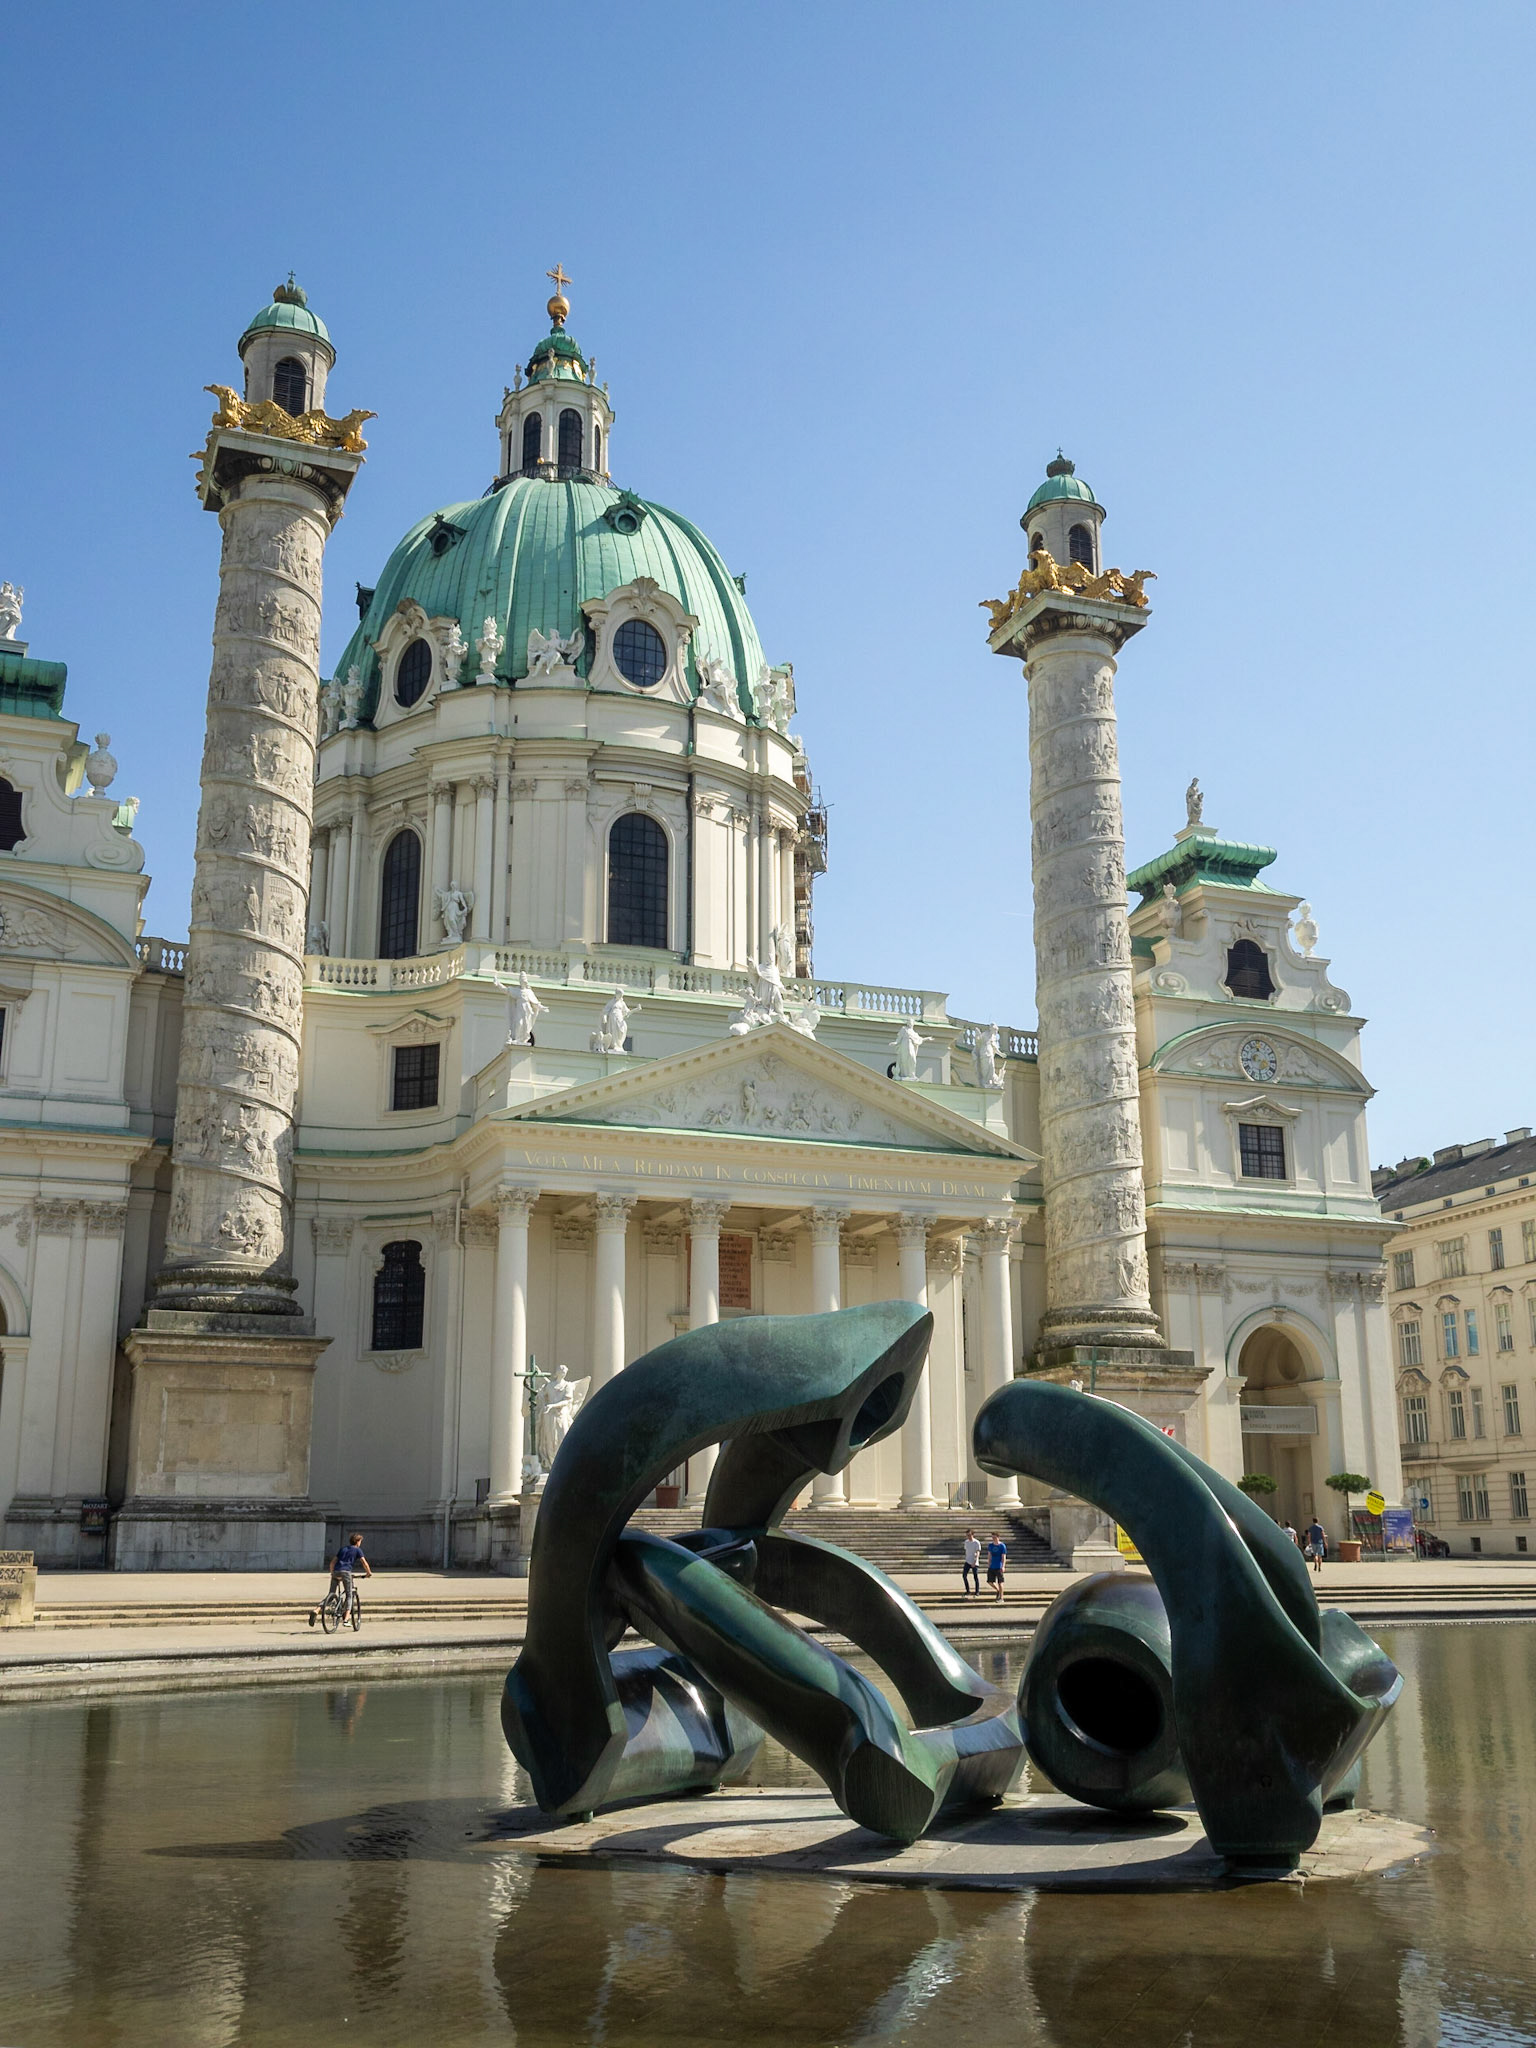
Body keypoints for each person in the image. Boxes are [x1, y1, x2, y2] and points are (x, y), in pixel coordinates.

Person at [310, 1531, 372, 1625]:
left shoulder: (343, 1549)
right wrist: (368, 1573)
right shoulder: (357, 1550)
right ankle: (346, 1619)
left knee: (331, 1595)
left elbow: (332, 1562)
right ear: (357, 1541)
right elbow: (364, 1562)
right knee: (349, 1595)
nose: (360, 1543)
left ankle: (316, 1610)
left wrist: (332, 1573)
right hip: (346, 1572)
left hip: (336, 1571)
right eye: (360, 1541)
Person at [986, 1530, 1008, 1602]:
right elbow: (989, 1555)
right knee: (990, 1581)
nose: (993, 1539)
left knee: (1000, 1582)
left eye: (995, 1537)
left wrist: (1003, 1566)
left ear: (998, 1537)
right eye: (992, 1538)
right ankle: (998, 1590)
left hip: (999, 1566)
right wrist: (989, 1563)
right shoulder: (990, 1545)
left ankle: (1001, 1598)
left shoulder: (1002, 1546)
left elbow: (1003, 1557)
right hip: (992, 1566)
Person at [962, 1528, 982, 1597]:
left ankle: (977, 1591)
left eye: (970, 1535)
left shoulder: (976, 1542)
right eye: (967, 1535)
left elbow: (978, 1552)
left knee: (975, 1577)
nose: (968, 1537)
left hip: (974, 1562)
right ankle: (968, 1590)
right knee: (964, 1575)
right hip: (968, 1561)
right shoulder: (966, 1542)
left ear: (973, 1535)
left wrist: (975, 1561)